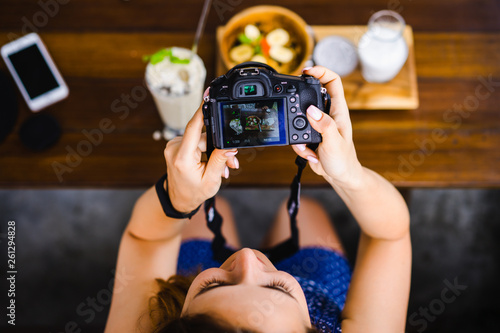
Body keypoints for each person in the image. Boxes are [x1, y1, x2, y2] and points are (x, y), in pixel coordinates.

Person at [104, 66, 411, 333]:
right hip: (318, 281)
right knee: (307, 211)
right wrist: (348, 175)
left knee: (210, 208)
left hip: (189, 271)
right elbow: (389, 235)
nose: (248, 257)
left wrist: (178, 199)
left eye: (216, 284)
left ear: (178, 321)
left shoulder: (146, 324)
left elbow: (144, 239)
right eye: (277, 286)